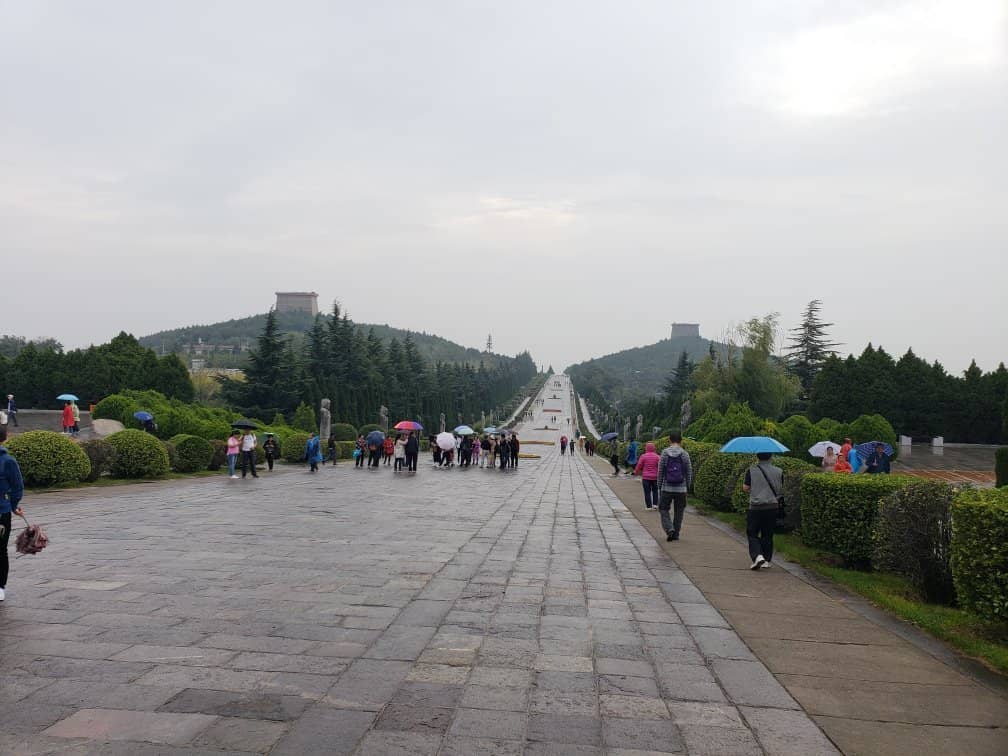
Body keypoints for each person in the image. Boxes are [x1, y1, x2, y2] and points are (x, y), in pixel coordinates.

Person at [743, 452, 783, 569]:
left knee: (752, 533)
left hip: (756, 507)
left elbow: (745, 488)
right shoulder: (779, 471)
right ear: (771, 457)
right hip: (772, 507)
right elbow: (780, 488)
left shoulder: (751, 470)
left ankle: (757, 555)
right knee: (768, 534)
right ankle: (766, 560)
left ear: (757, 457)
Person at [0, 428, 26, 602]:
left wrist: (13, 506)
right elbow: (17, 488)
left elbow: (17, 488)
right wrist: (14, 505)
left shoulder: (7, 461)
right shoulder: (8, 461)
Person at [657, 432, 693, 540]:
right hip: (681, 488)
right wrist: (687, 486)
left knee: (663, 509)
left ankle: (669, 529)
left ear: (669, 440)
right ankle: (676, 533)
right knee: (679, 511)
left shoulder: (664, 453)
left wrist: (659, 485)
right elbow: (689, 470)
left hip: (666, 487)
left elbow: (660, 471)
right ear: (681, 441)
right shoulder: (684, 454)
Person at [633, 442, 661, 510]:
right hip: (655, 477)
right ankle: (655, 505)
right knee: (655, 491)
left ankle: (648, 506)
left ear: (646, 448)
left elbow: (639, 465)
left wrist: (636, 472)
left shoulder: (643, 456)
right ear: (654, 448)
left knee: (647, 492)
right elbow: (660, 466)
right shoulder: (657, 456)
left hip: (646, 477)